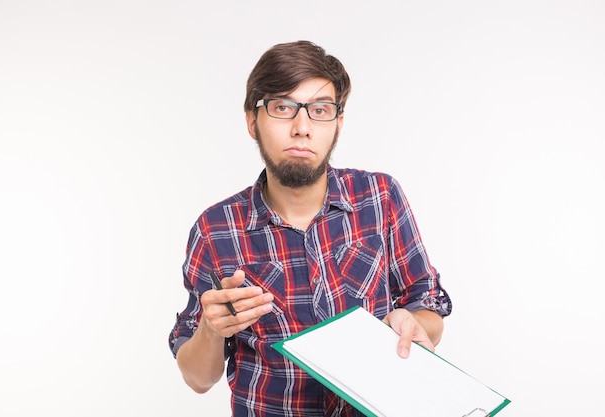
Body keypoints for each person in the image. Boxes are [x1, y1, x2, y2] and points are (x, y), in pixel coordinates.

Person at [169, 40, 452, 417]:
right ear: (253, 121)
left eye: (320, 110)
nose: (302, 128)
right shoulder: (216, 229)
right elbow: (197, 379)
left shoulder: (379, 197)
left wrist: (410, 324)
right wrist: (211, 329)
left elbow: (428, 307)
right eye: (283, 108)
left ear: (338, 122)